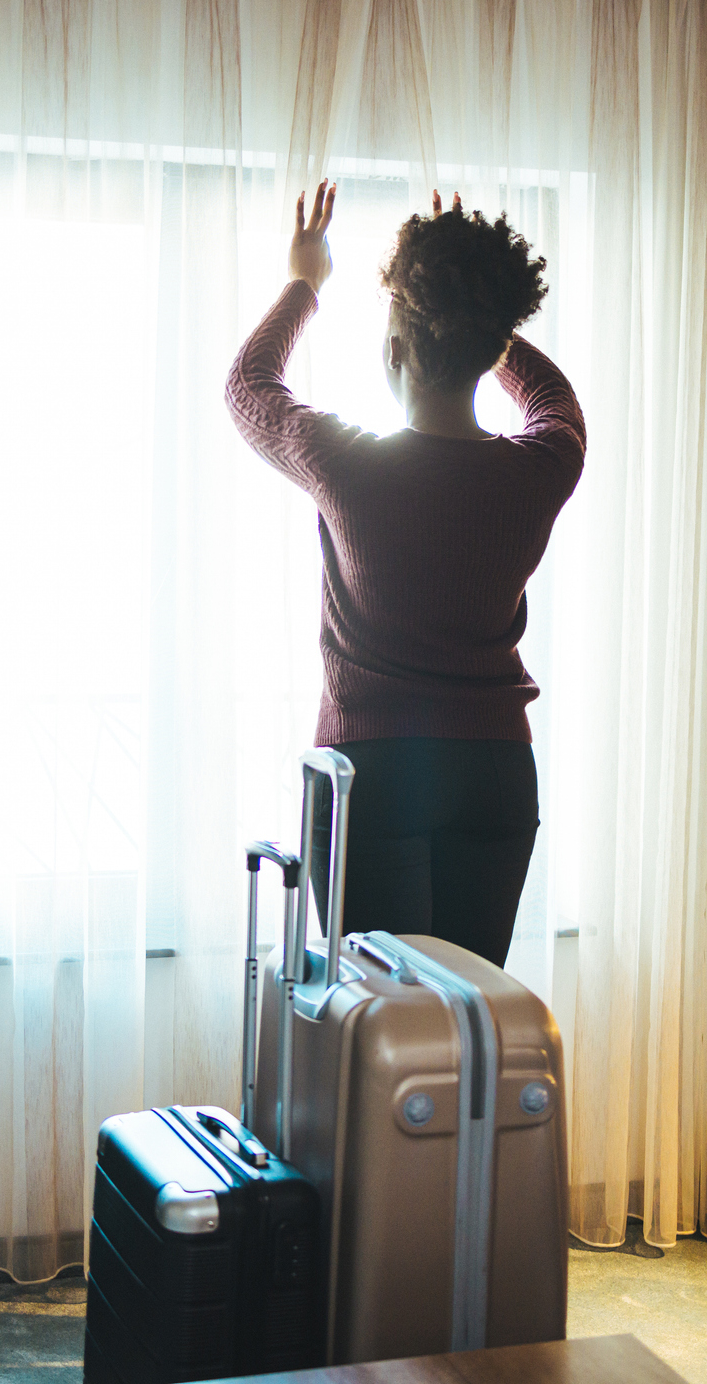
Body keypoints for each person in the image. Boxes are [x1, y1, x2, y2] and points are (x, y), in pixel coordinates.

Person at [225, 180, 585, 967]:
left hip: (373, 773)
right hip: (495, 773)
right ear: (491, 351)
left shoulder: (348, 461)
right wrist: (478, 314)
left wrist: (304, 283)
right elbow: (554, 400)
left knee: (386, 1026)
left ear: (393, 351)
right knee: (467, 1023)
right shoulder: (545, 465)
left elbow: (249, 386)